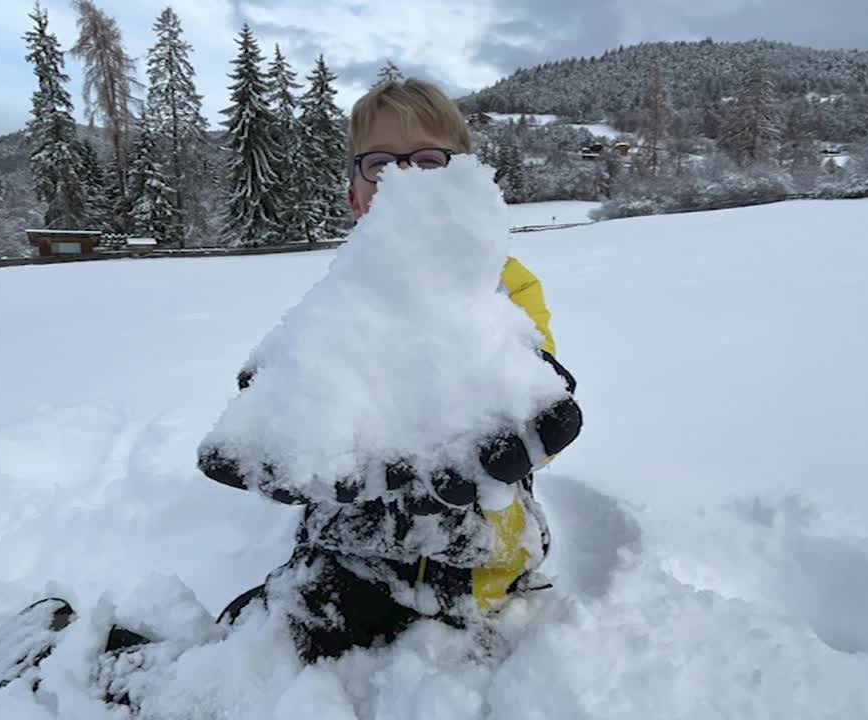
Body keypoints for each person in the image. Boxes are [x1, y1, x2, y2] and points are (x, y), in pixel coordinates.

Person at [200, 78, 583, 663]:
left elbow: (528, 394)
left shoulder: (502, 284)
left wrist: (527, 412)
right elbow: (318, 378)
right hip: (348, 530)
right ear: (355, 196)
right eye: (380, 164)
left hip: (475, 542)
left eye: (428, 161)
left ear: (467, 185)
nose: (403, 179)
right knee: (265, 637)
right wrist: (283, 411)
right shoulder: (346, 295)